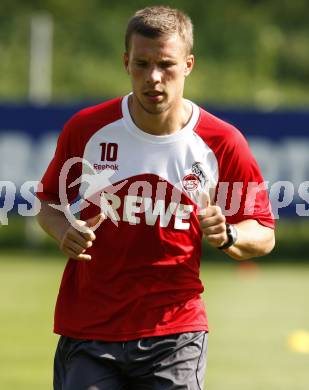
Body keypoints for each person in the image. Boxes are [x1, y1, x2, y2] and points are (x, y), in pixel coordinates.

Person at [37, 5, 275, 390]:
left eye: (166, 64)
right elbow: (48, 201)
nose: (154, 78)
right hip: (90, 328)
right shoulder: (87, 129)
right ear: (125, 61)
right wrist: (64, 229)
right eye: (142, 64)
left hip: (175, 333)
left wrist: (228, 235)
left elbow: (264, 232)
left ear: (188, 65)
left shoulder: (222, 142)